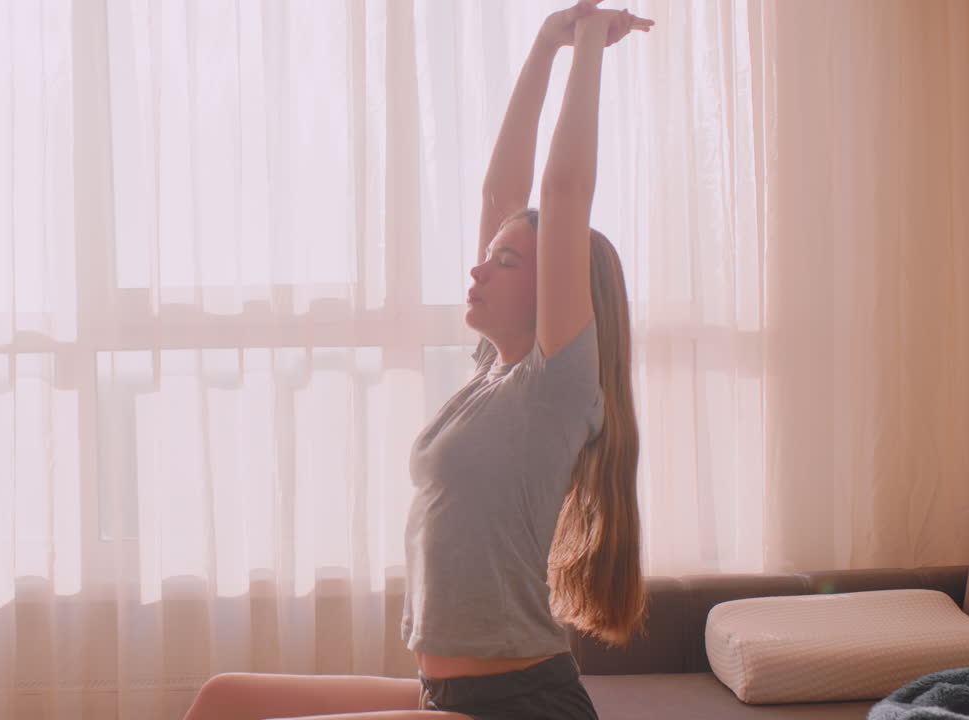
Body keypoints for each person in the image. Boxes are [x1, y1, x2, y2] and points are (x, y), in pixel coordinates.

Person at [183, 3, 652, 719]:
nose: (477, 271)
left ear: (558, 290)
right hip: (449, 694)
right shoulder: (490, 379)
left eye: (503, 261)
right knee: (224, 701)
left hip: (517, 704)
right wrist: (540, 49)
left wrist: (588, 45)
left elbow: (562, 195)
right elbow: (505, 194)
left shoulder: (556, 388)